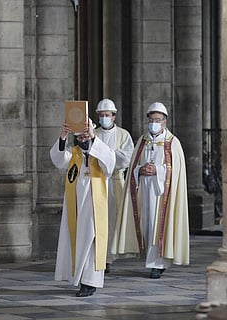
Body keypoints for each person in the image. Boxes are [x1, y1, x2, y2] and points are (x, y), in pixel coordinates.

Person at [113, 102, 189, 279]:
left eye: (158, 120)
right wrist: (140, 170)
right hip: (143, 190)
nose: (154, 123)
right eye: (151, 119)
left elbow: (176, 171)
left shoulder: (173, 143)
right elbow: (132, 166)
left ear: (165, 121)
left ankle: (157, 264)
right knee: (146, 224)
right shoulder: (142, 141)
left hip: (162, 192)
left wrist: (159, 171)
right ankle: (152, 260)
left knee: (158, 224)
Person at [50, 119, 115, 297]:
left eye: (87, 134)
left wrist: (94, 139)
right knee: (78, 241)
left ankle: (90, 282)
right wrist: (63, 136)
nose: (84, 138)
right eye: (81, 135)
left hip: (95, 206)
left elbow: (110, 163)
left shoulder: (101, 152)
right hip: (77, 206)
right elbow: (58, 159)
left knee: (93, 241)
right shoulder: (74, 154)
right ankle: (80, 279)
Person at [94, 98, 134, 273]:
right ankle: (98, 256)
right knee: (96, 221)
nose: (104, 118)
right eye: (101, 115)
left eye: (107, 115)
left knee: (111, 221)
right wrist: (108, 156)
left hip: (115, 182)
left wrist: (107, 156)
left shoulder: (123, 135)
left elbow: (127, 157)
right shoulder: (93, 133)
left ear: (114, 116)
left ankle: (108, 257)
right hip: (96, 181)